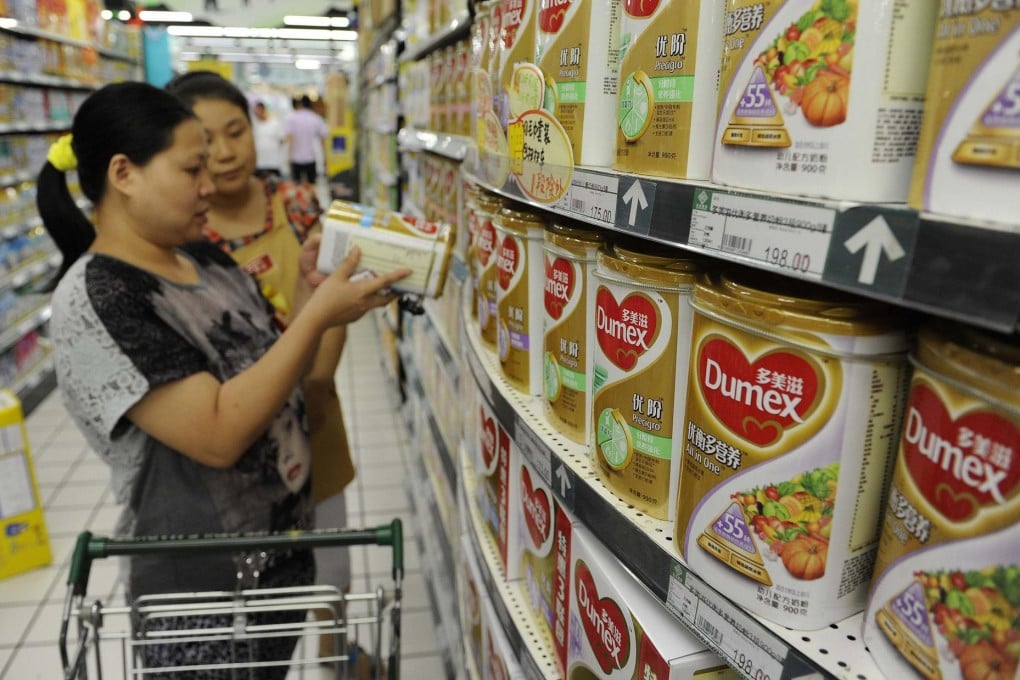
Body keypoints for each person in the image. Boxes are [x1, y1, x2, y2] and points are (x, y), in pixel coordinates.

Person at [36, 81, 408, 678]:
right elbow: (216, 434)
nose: (211, 185)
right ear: (124, 173)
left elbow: (286, 373)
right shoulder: (99, 296)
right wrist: (314, 315)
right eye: (191, 168)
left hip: (278, 565)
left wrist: (314, 292)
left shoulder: (205, 260)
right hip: (203, 596)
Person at [165, 70, 356, 663]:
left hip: (316, 420)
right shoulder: (181, 232)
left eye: (236, 132)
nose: (224, 154)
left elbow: (332, 301)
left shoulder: (296, 204)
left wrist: (318, 387)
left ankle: (333, 656)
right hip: (240, 438)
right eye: (206, 143)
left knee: (333, 566)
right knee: (255, 593)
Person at [284, 94, 328, 185]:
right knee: (311, 186)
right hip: (310, 157)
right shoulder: (316, 119)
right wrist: (325, 157)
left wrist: (288, 156)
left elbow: (290, 139)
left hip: (295, 158)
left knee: (297, 187)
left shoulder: (291, 118)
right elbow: (323, 140)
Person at [251, 100, 285, 178]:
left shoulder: (274, 123)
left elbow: (282, 140)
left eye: (259, 110)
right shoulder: (254, 126)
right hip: (259, 163)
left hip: (273, 162)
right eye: (256, 111)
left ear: (263, 110)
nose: (257, 113)